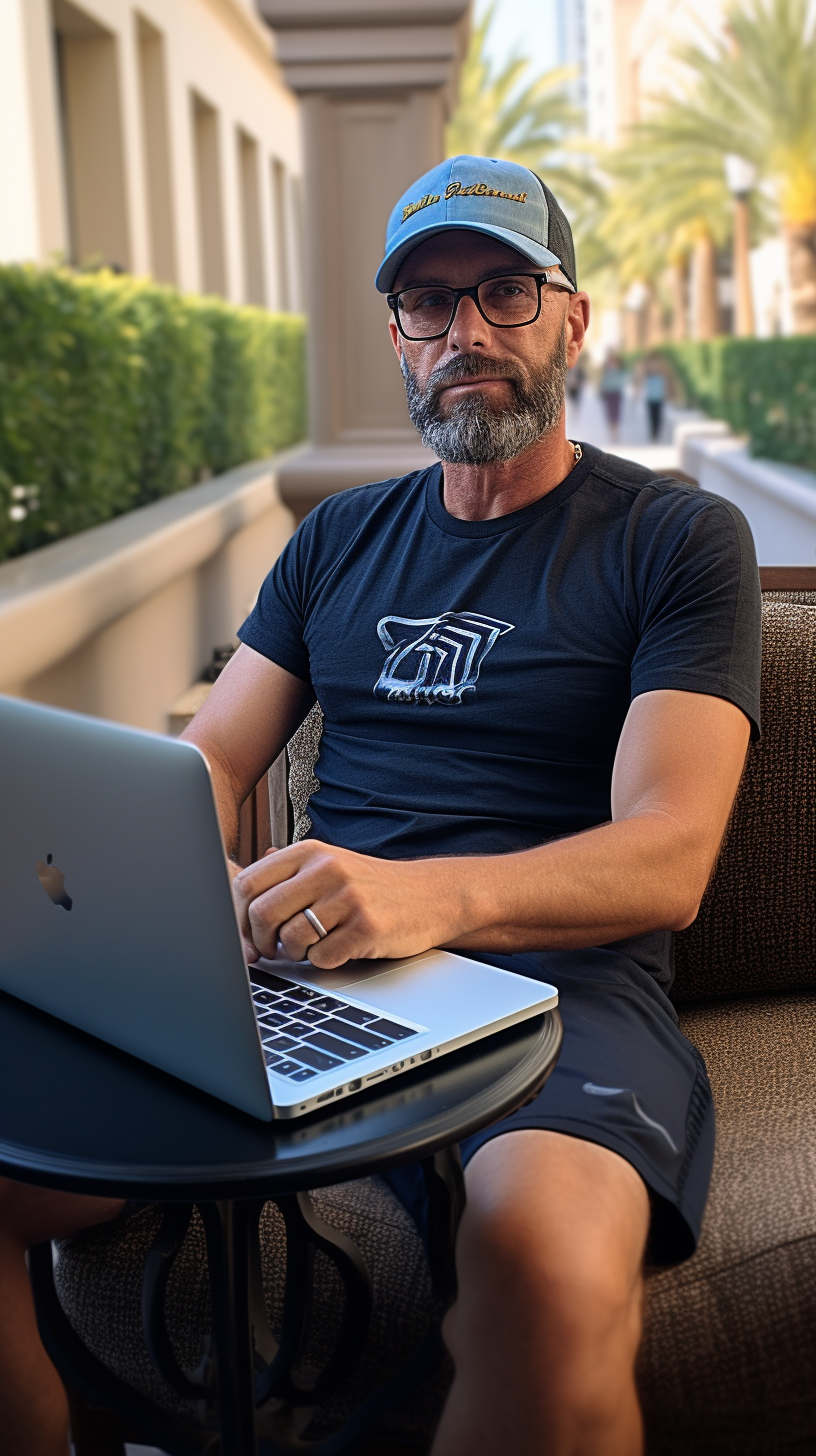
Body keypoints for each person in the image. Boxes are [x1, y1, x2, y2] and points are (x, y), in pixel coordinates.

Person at [0, 155, 760, 1456]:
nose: (464, 331)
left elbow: (670, 856)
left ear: (574, 319)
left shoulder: (675, 540)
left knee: (545, 1275)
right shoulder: (338, 541)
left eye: (504, 290)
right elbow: (207, 765)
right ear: (398, 337)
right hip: (302, 982)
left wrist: (422, 898)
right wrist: (132, 893)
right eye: (427, 300)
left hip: (557, 1005)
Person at [599, 350, 626, 441]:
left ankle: (616, 432)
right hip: (608, 392)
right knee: (610, 412)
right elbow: (603, 380)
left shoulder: (620, 368)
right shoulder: (606, 368)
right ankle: (612, 432)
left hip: (616, 392)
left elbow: (623, 378)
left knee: (616, 412)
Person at [643, 353, 668, 441]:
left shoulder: (661, 375)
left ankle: (656, 434)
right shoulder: (647, 375)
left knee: (658, 417)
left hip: (659, 398)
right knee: (652, 417)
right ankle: (653, 434)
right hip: (650, 399)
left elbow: (665, 386)